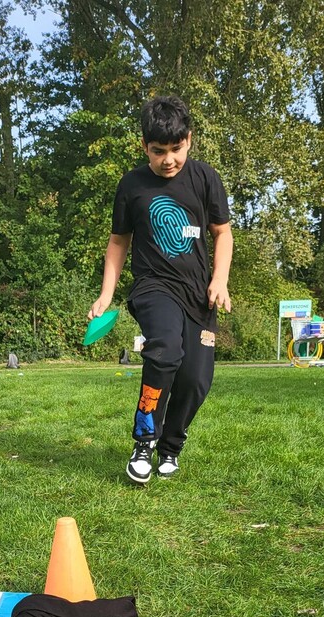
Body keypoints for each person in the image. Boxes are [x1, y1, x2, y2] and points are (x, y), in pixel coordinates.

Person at [88, 95, 233, 484]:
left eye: (176, 148)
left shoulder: (205, 178)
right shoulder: (132, 185)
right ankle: (144, 440)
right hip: (154, 287)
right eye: (158, 151)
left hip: (199, 294)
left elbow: (222, 233)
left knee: (196, 380)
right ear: (144, 147)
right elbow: (118, 242)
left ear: (189, 139)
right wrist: (106, 294)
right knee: (165, 350)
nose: (168, 159)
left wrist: (219, 280)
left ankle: (170, 447)